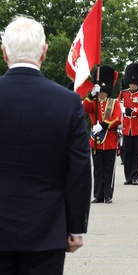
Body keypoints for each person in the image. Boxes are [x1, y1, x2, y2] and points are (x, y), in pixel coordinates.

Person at [0, 15, 92, 274]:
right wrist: (76, 227)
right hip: (46, 228)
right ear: (44, 52)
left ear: (4, 52)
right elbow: (79, 170)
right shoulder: (68, 102)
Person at [83, 65, 122, 204]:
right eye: (101, 91)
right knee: (97, 169)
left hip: (109, 139)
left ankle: (108, 194)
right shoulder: (93, 102)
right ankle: (98, 194)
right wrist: (91, 94)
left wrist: (104, 125)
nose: (102, 94)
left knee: (109, 169)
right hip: (96, 141)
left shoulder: (114, 103)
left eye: (104, 92)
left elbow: (117, 118)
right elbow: (83, 109)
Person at [118, 63, 138, 185]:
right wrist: (124, 111)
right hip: (126, 127)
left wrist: (131, 111)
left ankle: (135, 176)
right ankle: (128, 176)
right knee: (127, 152)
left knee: (137, 153)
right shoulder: (123, 93)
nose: (133, 85)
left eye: (135, 84)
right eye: (131, 83)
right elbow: (119, 106)